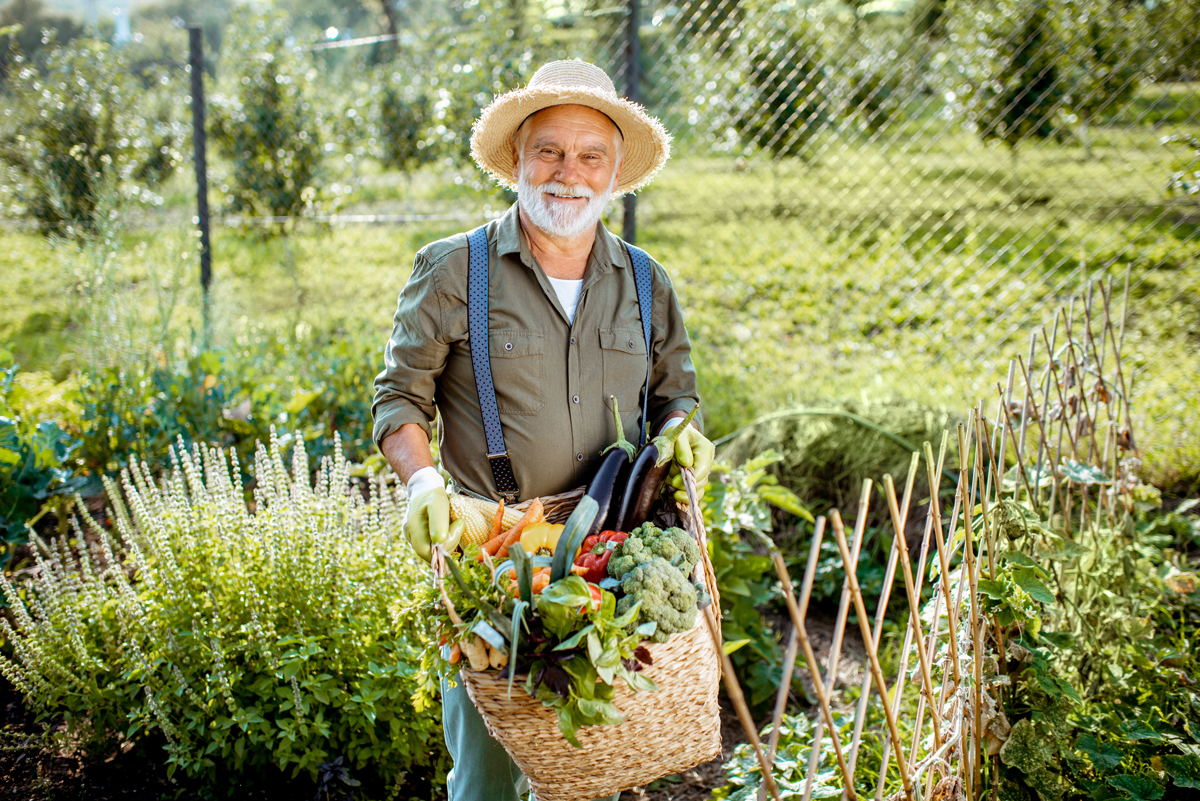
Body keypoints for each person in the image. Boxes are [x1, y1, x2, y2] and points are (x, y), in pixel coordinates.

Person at [371, 59, 715, 801]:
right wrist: (423, 480)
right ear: (518, 161)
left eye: (591, 155)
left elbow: (675, 396)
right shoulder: (454, 271)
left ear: (615, 172)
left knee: (594, 765)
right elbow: (398, 396)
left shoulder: (647, 282)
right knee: (488, 776)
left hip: (609, 557)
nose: (570, 173)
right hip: (491, 553)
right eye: (549, 151)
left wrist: (685, 430)